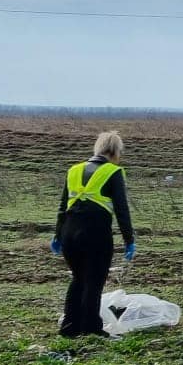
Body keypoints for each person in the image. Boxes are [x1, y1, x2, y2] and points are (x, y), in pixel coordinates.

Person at [52, 130, 136, 339]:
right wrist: (129, 240)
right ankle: (91, 328)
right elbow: (121, 209)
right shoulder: (113, 172)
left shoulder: (73, 170)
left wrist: (57, 235)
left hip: (70, 232)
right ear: (116, 151)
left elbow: (63, 206)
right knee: (94, 281)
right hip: (95, 233)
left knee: (78, 279)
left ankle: (69, 327)